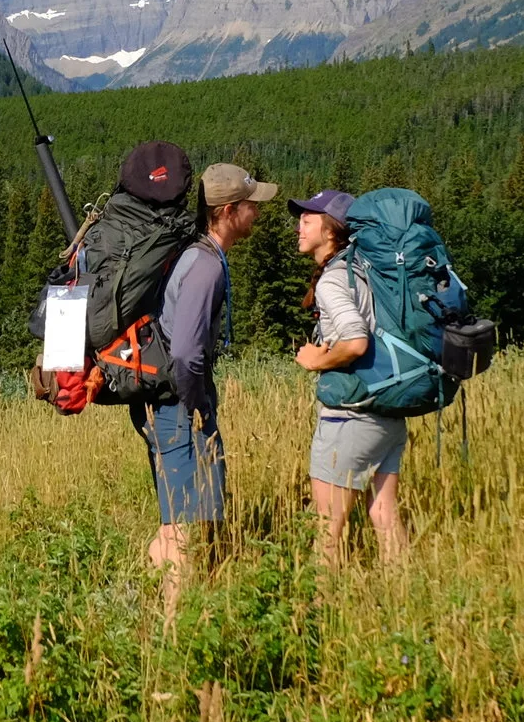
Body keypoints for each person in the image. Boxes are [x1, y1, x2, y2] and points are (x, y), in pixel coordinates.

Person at [138, 159, 276, 612]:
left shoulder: (197, 255)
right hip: (177, 406)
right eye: (251, 205)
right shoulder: (205, 266)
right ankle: (174, 630)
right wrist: (196, 404)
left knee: (176, 521)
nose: (257, 212)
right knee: (184, 527)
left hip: (166, 402)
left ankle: (152, 611)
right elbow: (186, 352)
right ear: (229, 211)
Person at [290, 189, 412, 566]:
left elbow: (356, 342)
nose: (298, 227)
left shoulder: (333, 280)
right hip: (387, 412)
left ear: (331, 231)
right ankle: (405, 593)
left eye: (308, 220)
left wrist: (317, 361)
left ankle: (321, 603)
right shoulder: (366, 270)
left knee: (326, 527)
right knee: (385, 515)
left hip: (350, 417)